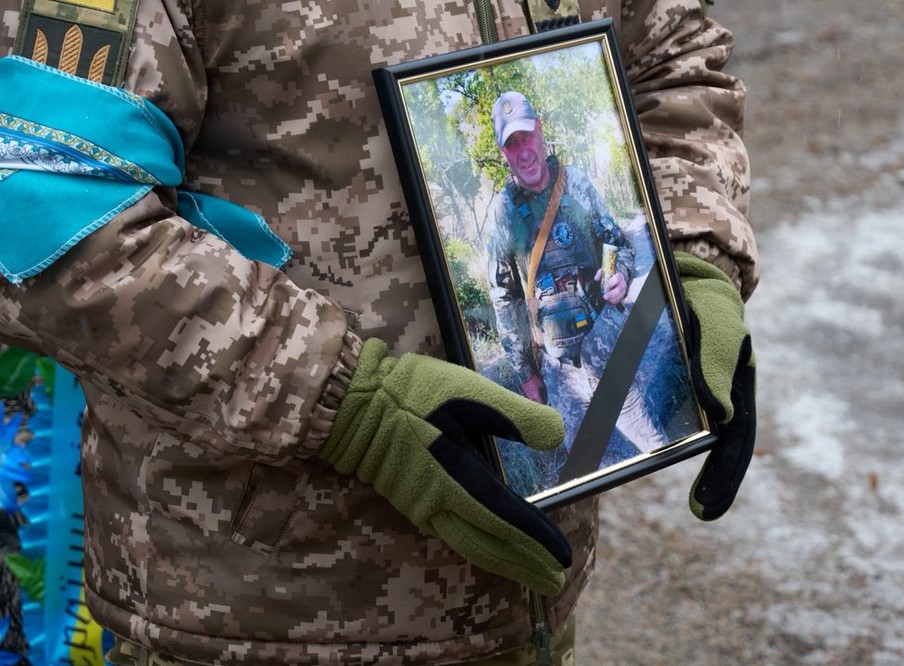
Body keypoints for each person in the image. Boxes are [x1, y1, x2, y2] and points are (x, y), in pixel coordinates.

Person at [0, 0, 758, 664]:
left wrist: (691, 256)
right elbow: (37, 202)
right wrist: (349, 405)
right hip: (255, 616)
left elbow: (672, 59)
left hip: (526, 595)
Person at [486, 90, 665, 454]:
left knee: (653, 442)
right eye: (512, 144)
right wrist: (527, 375)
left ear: (539, 129)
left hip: (605, 344)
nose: (523, 151)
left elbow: (616, 242)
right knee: (581, 463)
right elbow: (504, 300)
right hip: (557, 368)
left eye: (526, 136)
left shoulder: (577, 184)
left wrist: (620, 276)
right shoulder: (501, 214)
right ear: (503, 152)